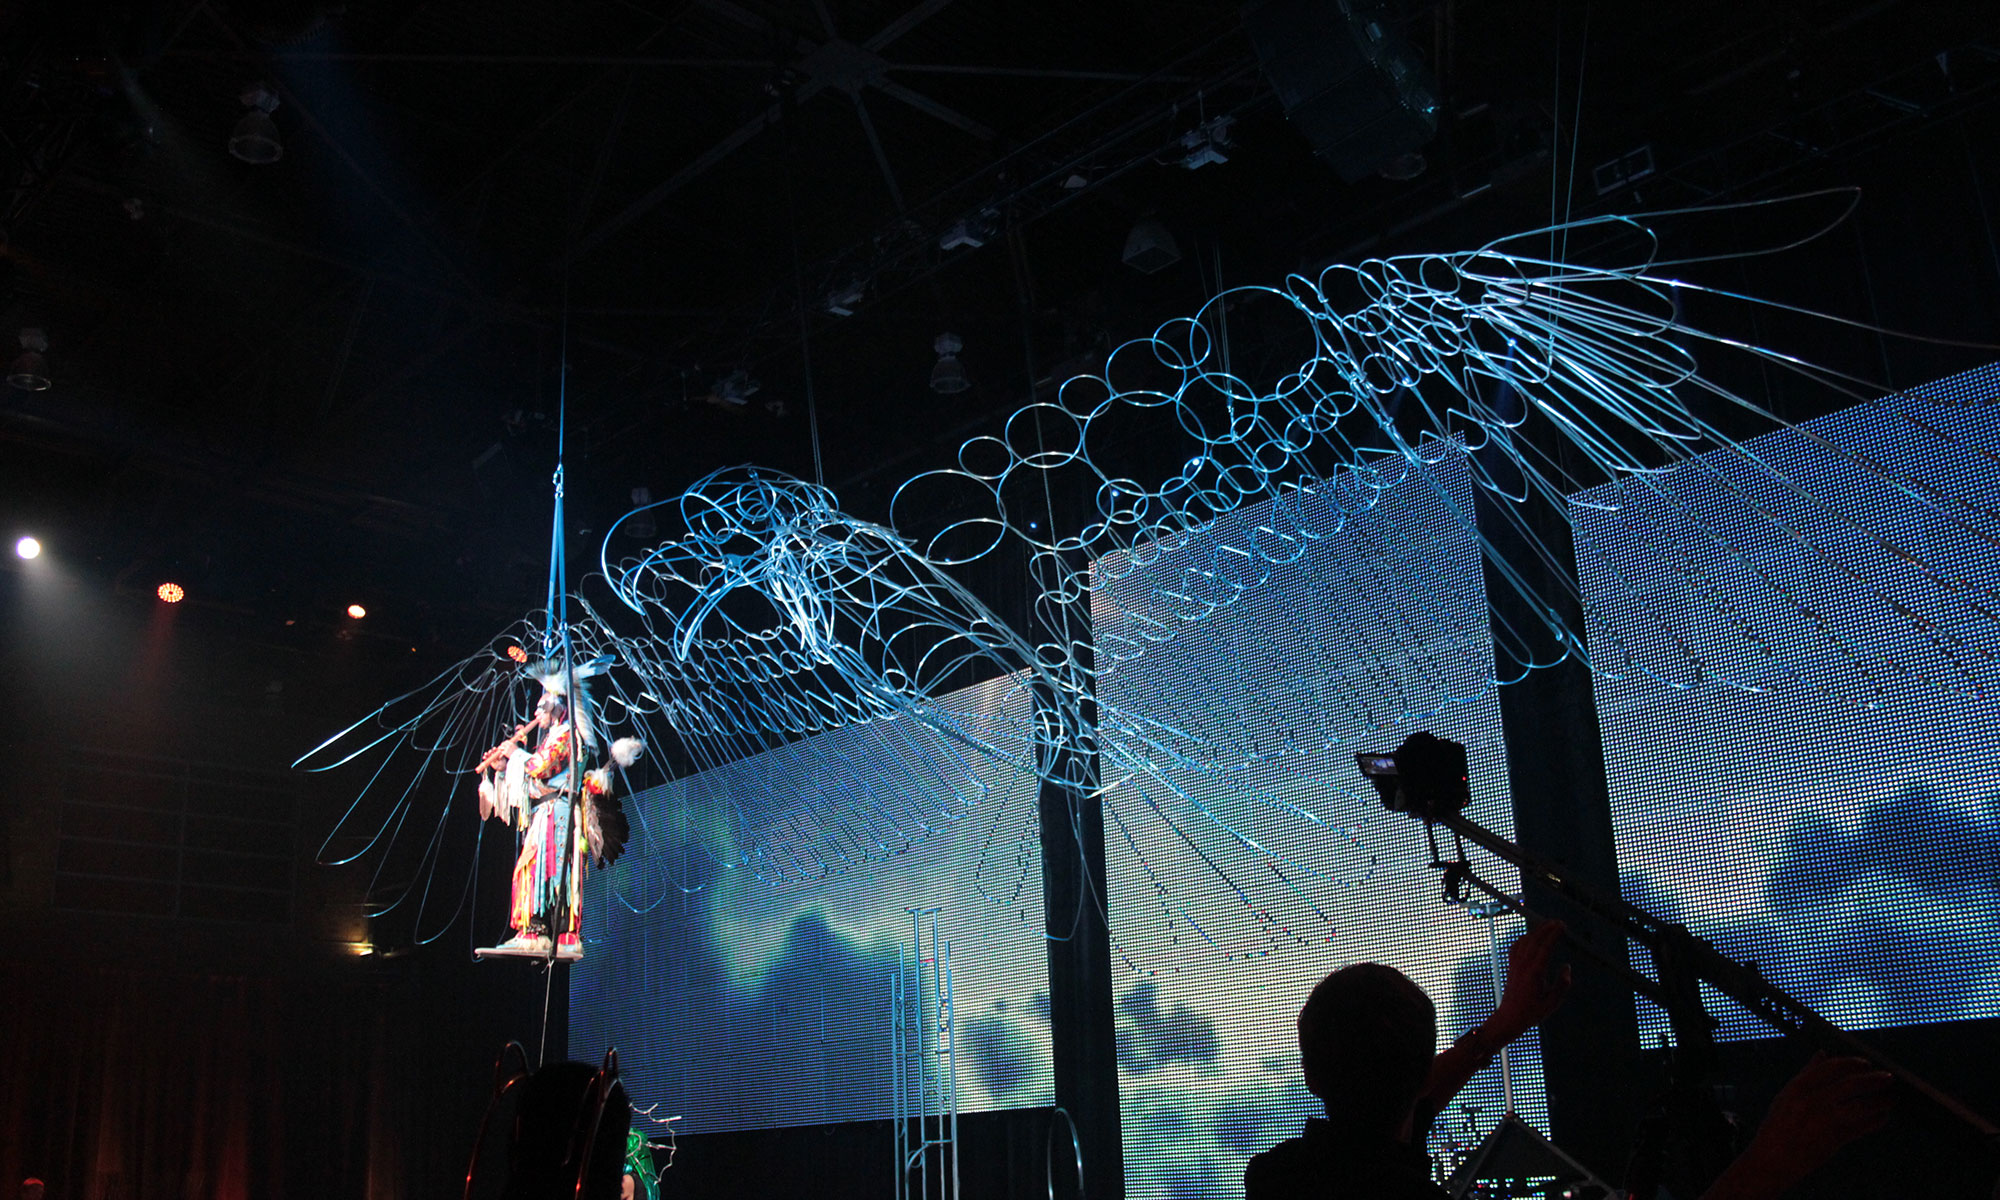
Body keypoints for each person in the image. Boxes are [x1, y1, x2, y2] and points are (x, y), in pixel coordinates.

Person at [1246, 920, 1895, 1199]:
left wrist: (1502, 1026)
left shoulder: (1277, 1176)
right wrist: (1771, 1162)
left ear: (1310, 1074)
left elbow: (1391, 1108)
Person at [477, 662, 641, 960]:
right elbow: (532, 783)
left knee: (553, 872)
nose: (536, 712)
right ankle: (536, 932)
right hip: (546, 811)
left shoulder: (567, 735)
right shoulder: (553, 736)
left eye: (542, 706)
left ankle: (556, 934)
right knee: (536, 870)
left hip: (559, 813)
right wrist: (503, 767)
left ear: (557, 706)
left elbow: (542, 767)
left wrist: (515, 754)